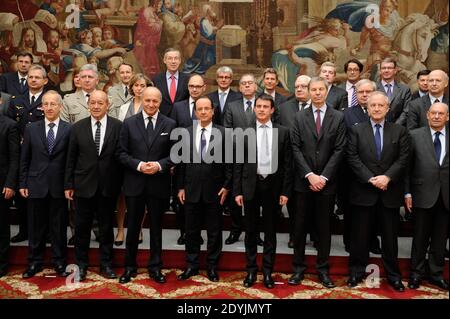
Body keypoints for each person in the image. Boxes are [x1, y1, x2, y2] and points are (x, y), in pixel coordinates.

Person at [346, 91, 409, 291]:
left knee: (390, 239)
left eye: (381, 105)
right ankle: (356, 272)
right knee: (360, 237)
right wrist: (370, 178)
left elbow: (403, 158)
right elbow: (352, 157)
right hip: (364, 192)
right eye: (373, 105)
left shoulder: (399, 131)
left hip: (389, 193)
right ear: (368, 107)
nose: (376, 108)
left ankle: (394, 275)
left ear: (387, 108)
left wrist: (387, 177)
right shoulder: (357, 130)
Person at [289, 77, 346, 288]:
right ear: (309, 91)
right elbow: (294, 147)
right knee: (300, 227)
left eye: (321, 89)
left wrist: (323, 177)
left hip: (327, 183)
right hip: (303, 183)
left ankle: (323, 269)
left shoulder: (338, 117)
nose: (317, 93)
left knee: (324, 228)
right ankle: (298, 269)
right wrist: (309, 175)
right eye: (313, 89)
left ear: (326, 91)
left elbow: (340, 149)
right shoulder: (298, 116)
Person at [118, 87, 176, 284]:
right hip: (135, 183)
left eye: (155, 101)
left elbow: (175, 154)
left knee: (157, 228)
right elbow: (121, 154)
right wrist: (140, 165)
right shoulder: (128, 123)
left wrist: (159, 165)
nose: (151, 104)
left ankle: (155, 267)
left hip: (158, 184)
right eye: (148, 100)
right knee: (133, 227)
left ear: (160, 102)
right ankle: (129, 267)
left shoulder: (170, 123)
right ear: (141, 99)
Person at [234, 94, 292, 289]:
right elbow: (238, 164)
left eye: (265, 106)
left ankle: (267, 272)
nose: (261, 109)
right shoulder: (244, 132)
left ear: (272, 110)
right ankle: (251, 270)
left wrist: (285, 191)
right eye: (258, 106)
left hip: (273, 188)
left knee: (270, 232)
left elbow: (287, 165)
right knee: (250, 231)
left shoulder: (283, 132)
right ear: (254, 108)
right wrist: (237, 191)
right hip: (251, 186)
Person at [64, 90, 123, 281]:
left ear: (107, 105)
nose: (96, 106)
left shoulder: (118, 127)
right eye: (93, 103)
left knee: (106, 229)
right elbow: (70, 159)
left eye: (100, 103)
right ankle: (81, 266)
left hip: (108, 187)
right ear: (89, 105)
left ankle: (106, 264)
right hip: (82, 186)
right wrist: (68, 185)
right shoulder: (77, 128)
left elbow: (121, 157)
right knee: (81, 229)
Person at [176, 96, 231, 282]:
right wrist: (180, 187)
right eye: (200, 109)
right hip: (190, 190)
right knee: (191, 231)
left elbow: (229, 164)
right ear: (195, 112)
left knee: (214, 232)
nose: (204, 112)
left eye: (207, 108)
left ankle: (212, 267)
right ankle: (191, 265)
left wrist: (226, 186)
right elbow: (181, 164)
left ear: (213, 111)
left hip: (215, 191)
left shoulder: (224, 133)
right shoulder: (186, 133)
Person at [19, 91, 70, 278]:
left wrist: (68, 185)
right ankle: (34, 262)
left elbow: (70, 162)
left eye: (53, 104)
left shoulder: (69, 129)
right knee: (35, 227)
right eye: (45, 104)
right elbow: (24, 159)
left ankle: (59, 262)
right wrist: (23, 182)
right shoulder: (31, 128)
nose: (49, 107)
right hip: (35, 184)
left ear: (60, 107)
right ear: (41, 107)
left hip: (59, 187)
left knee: (58, 227)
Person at [406, 102, 449, 291]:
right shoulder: (415, 136)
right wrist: (407, 192)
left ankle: (436, 274)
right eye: (434, 113)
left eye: (441, 114)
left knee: (440, 238)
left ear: (447, 117)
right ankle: (415, 274)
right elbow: (406, 168)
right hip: (421, 193)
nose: (437, 116)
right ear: (427, 115)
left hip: (446, 195)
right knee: (420, 237)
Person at [342, 79, 382, 255]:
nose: (365, 95)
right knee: (351, 210)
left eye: (368, 92)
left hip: (377, 171)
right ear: (355, 95)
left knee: (374, 210)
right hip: (352, 172)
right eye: (361, 92)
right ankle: (350, 241)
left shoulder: (381, 111)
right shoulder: (346, 114)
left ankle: (373, 240)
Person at [223, 74, 263, 246]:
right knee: (235, 196)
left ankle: (255, 233)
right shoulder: (232, 106)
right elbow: (227, 131)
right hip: (236, 157)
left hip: (259, 158)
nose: (247, 86)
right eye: (243, 83)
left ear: (255, 86)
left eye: (250, 83)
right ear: (239, 87)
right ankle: (235, 229)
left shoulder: (263, 105)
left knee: (255, 198)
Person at [114, 73, 153, 246]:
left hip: (144, 158)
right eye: (136, 85)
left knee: (140, 196)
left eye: (142, 85)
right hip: (125, 158)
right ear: (132, 88)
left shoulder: (151, 107)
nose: (139, 88)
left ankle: (138, 229)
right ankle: (121, 230)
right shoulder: (123, 108)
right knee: (122, 196)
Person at [278, 75, 311, 248]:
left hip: (314, 166)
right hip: (290, 165)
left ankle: (315, 235)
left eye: (303, 86)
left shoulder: (319, 109)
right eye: (297, 86)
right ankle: (295, 236)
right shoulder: (283, 108)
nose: (299, 89)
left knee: (313, 206)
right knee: (294, 206)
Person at [0, 111, 20, 278]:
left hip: (2, 184)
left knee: (1, 225)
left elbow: (15, 158)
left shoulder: (10, 125)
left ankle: (2, 263)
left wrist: (10, 183)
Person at [152, 48, 189, 117]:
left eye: (176, 58)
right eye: (170, 58)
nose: (173, 61)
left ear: (180, 61)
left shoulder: (188, 79)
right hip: (162, 119)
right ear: (164, 60)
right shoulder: (156, 80)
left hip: (182, 118)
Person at [375, 57, 411, 125]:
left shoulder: (404, 89)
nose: (386, 70)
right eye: (383, 68)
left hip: (398, 129)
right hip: (376, 126)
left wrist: (395, 126)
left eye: (389, 68)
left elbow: (406, 111)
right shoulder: (373, 88)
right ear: (380, 71)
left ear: (395, 70)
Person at [133, 0, 163, 79]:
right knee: (148, 65)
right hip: (146, 42)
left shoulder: (152, 12)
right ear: (154, 3)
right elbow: (150, 28)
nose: (160, 5)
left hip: (150, 42)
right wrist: (160, 24)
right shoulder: (147, 11)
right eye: (159, 3)